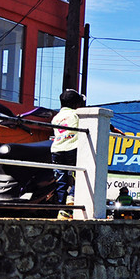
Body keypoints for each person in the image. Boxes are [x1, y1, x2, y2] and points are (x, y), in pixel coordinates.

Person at [51, 89, 84, 218]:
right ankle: (72, 196)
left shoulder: (56, 118)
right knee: (81, 176)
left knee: (61, 181)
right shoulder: (76, 114)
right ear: (76, 104)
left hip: (57, 150)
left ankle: (62, 210)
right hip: (73, 148)